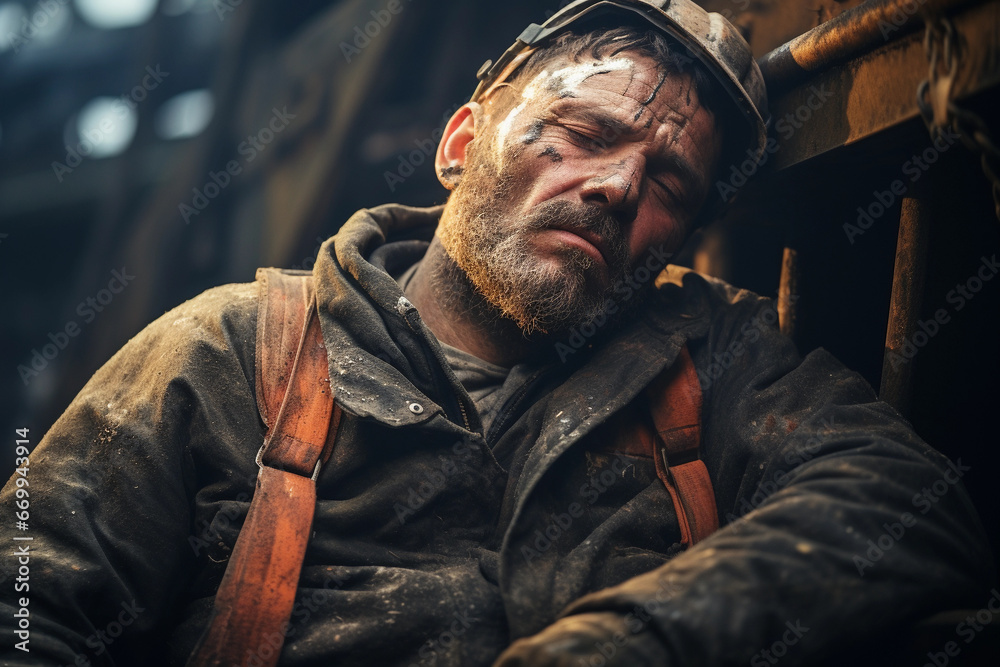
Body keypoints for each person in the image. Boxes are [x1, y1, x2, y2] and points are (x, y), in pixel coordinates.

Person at [1, 1, 994, 666]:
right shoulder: (229, 350)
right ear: (462, 143)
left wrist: (624, 643)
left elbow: (910, 504)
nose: (616, 187)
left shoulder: (713, 356)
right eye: (589, 133)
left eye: (669, 181)